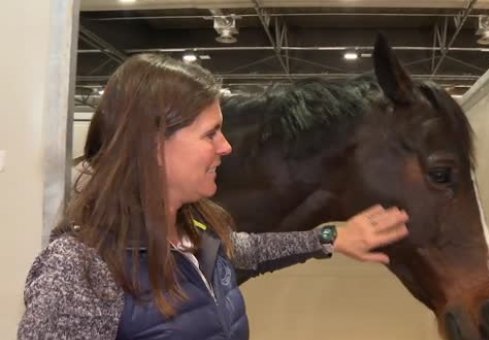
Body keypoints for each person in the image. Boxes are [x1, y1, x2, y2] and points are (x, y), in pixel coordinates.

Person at [17, 54, 409, 340]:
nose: (226, 147)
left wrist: (332, 239)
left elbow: (250, 250)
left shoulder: (199, 233)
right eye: (210, 133)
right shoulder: (79, 269)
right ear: (153, 144)